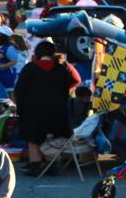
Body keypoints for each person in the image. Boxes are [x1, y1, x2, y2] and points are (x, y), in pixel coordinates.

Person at [10, 40, 80, 168]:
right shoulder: (61, 68)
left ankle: (35, 165)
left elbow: (19, 90)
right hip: (57, 109)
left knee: (34, 138)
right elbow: (75, 80)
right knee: (53, 137)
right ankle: (53, 164)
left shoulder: (30, 68)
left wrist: (21, 106)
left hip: (33, 109)